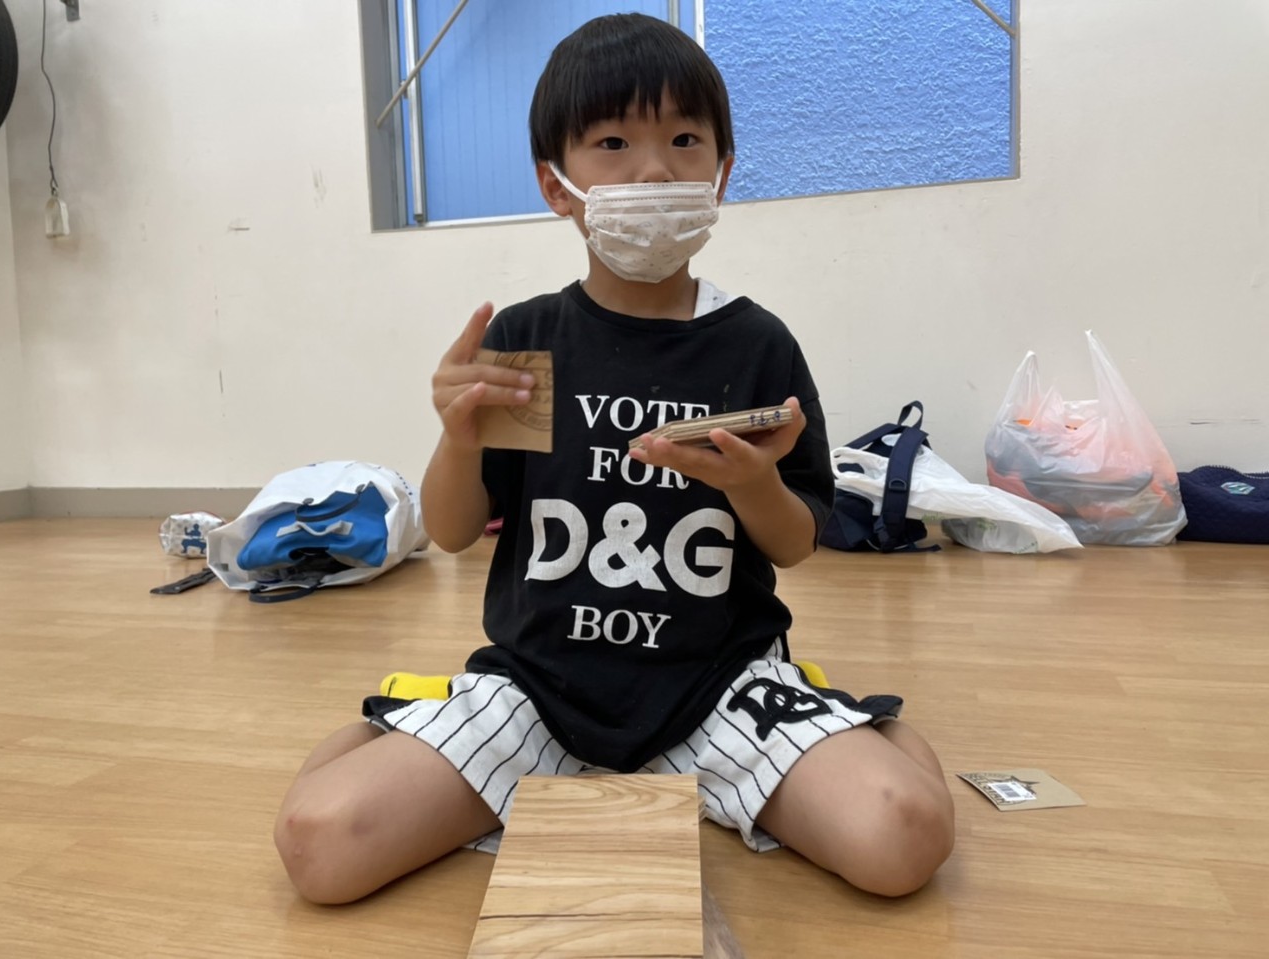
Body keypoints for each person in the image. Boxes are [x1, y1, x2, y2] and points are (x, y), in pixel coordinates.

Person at [274, 13, 954, 905]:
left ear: (722, 171)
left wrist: (753, 483)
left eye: (684, 140)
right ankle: (408, 718)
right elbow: (451, 531)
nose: (654, 169)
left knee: (904, 834)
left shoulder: (756, 344)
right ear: (556, 185)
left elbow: (794, 544)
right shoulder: (529, 340)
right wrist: (458, 435)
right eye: (612, 143)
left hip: (719, 686)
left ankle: (854, 720)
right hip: (537, 691)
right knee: (319, 844)